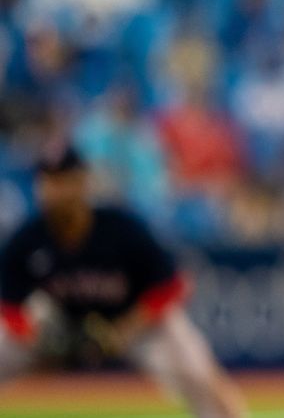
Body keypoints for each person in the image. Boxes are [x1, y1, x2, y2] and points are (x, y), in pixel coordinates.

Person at [0, 142, 245, 418]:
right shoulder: (26, 240)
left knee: (195, 370)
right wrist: (38, 342)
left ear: (82, 182)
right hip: (59, 327)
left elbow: (172, 286)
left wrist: (124, 331)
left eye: (63, 179)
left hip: (135, 322)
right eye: (47, 180)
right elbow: (10, 310)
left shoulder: (121, 228)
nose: (54, 190)